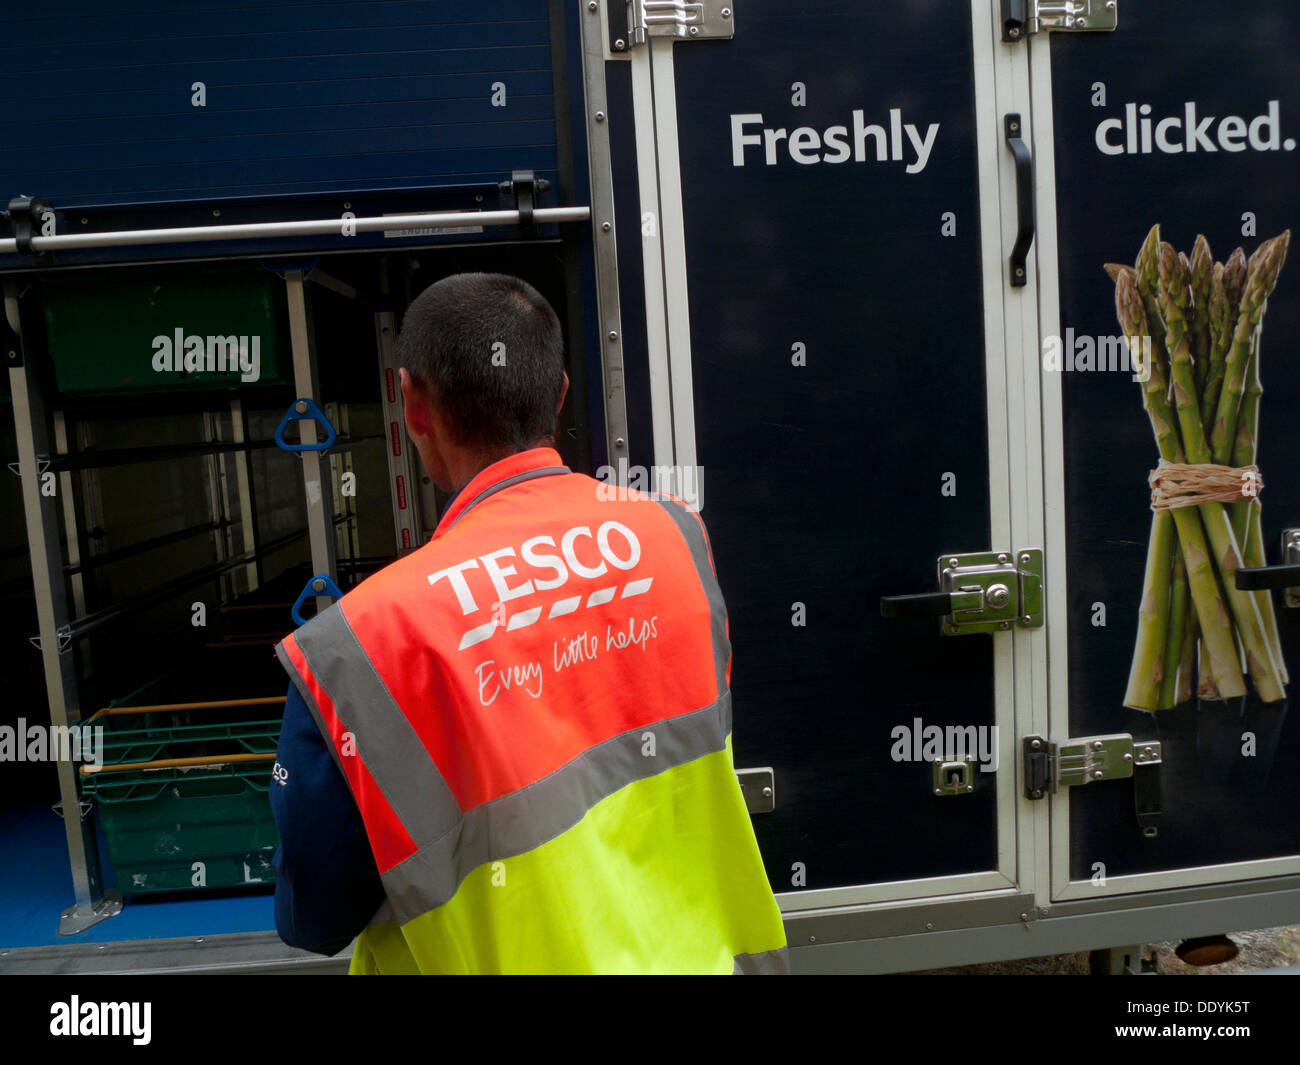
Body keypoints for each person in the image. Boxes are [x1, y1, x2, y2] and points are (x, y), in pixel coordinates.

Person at [270, 272, 788, 974]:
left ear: (411, 403)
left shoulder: (362, 643)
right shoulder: (675, 537)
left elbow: (316, 913)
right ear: (562, 391)